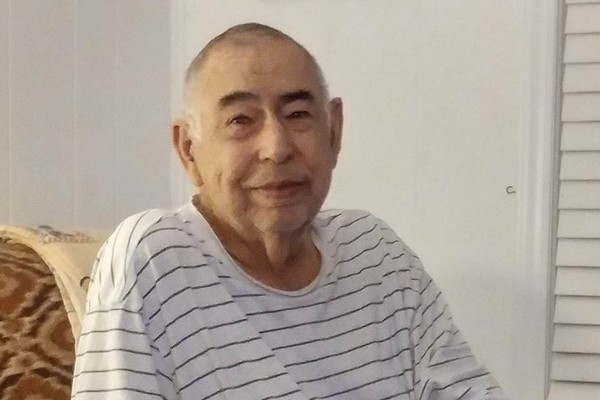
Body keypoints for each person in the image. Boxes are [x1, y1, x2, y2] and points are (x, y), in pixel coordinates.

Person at [72, 23, 507, 400]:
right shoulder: (153, 260)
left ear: (334, 132)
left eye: (298, 114)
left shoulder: (376, 253)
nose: (276, 148)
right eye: (241, 120)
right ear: (188, 149)